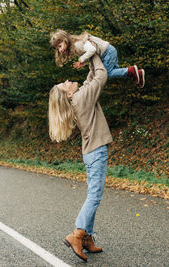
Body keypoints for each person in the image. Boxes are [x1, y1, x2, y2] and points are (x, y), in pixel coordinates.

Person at [48, 54, 112, 262]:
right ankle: (77, 234)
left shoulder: (79, 95)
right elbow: (101, 76)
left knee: (93, 195)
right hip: (96, 151)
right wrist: (92, 53)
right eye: (64, 84)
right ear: (67, 95)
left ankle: (86, 239)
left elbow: (91, 78)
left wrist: (86, 60)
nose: (67, 81)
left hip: (91, 152)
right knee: (94, 196)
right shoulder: (81, 98)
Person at [50, 29, 145, 88]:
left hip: (107, 53)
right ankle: (138, 74)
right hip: (109, 51)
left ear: (65, 40)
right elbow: (89, 53)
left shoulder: (77, 44)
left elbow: (92, 49)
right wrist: (84, 61)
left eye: (60, 46)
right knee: (115, 71)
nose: (60, 50)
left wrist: (81, 59)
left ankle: (131, 71)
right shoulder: (75, 46)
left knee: (107, 74)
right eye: (57, 49)